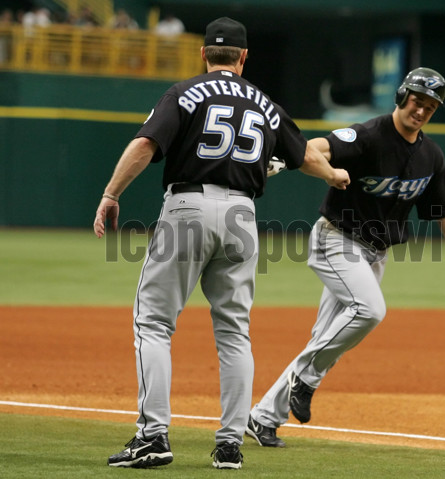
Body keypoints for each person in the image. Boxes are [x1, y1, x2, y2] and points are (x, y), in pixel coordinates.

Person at [93, 17, 349, 470]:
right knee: (234, 331)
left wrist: (112, 194)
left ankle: (153, 435)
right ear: (244, 57)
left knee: (153, 322)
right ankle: (230, 444)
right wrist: (332, 174)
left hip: (188, 206)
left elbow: (145, 145)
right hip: (242, 217)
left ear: (204, 54)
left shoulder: (184, 92)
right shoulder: (265, 103)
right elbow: (304, 154)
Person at [246, 67, 445, 447]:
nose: (421, 110)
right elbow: (321, 147)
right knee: (369, 310)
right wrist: (297, 157)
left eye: (430, 106)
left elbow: (444, 210)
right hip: (337, 242)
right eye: (416, 100)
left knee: (326, 337)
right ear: (401, 96)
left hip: (374, 255)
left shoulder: (430, 155)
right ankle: (306, 379)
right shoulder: (368, 135)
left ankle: (263, 418)